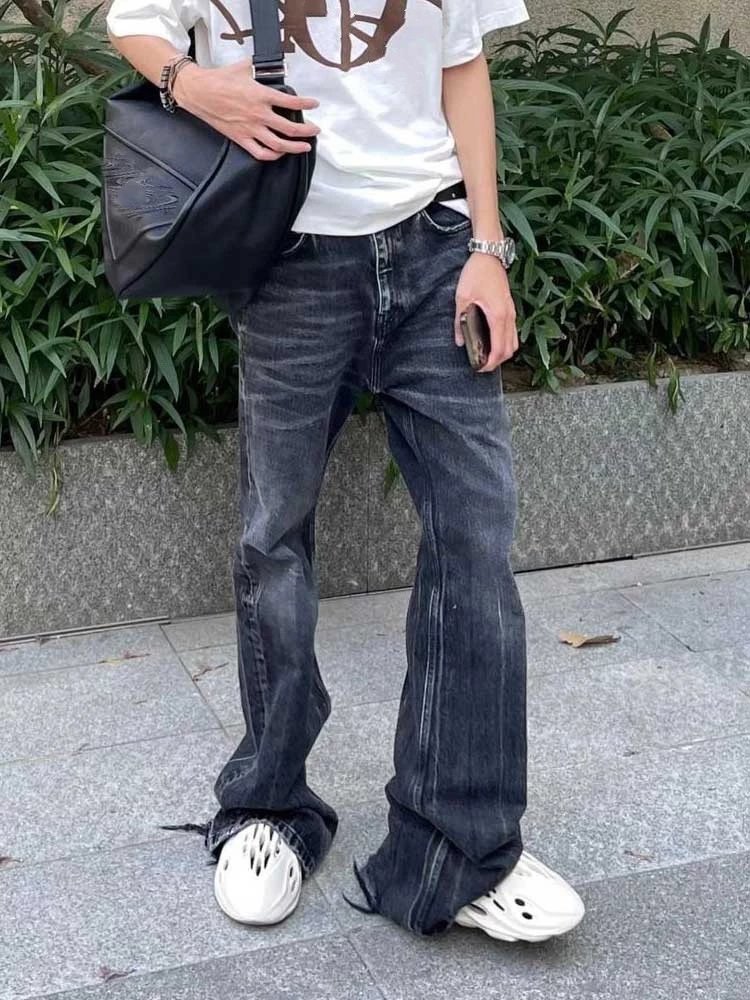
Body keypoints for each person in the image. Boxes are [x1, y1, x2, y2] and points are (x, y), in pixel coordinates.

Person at [105, 0, 586, 941]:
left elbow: (462, 65)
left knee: (476, 542)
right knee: (273, 540)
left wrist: (489, 248)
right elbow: (134, 19)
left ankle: (459, 851)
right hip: (288, 258)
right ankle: (267, 808)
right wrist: (190, 84)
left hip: (436, 249)